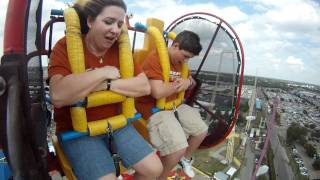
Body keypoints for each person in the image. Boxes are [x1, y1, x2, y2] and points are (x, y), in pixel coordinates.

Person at [48, 0, 162, 179]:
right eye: (108, 22)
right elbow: (59, 95)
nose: (115, 30)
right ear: (90, 21)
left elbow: (143, 87)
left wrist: (106, 85)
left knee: (154, 169)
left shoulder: (121, 51)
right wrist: (103, 73)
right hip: (78, 131)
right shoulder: (66, 46)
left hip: (116, 124)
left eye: (119, 24)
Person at [136, 30, 208, 179]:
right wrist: (181, 85)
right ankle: (160, 177)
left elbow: (191, 82)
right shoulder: (155, 59)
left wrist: (187, 82)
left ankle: (185, 160)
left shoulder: (181, 63)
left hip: (174, 105)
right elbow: (157, 92)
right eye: (185, 56)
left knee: (201, 130)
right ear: (175, 46)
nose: (185, 61)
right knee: (178, 147)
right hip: (154, 109)